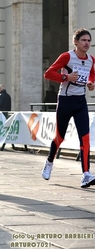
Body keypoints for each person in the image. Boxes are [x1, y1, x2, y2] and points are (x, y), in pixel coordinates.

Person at [42, 28, 95, 188]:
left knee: (85, 138)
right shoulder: (67, 56)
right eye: (83, 40)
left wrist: (91, 83)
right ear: (76, 42)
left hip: (80, 102)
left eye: (89, 40)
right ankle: (50, 161)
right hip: (65, 101)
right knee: (60, 137)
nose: (87, 43)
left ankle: (86, 174)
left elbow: (92, 73)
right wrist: (65, 77)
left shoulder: (91, 59)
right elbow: (48, 73)